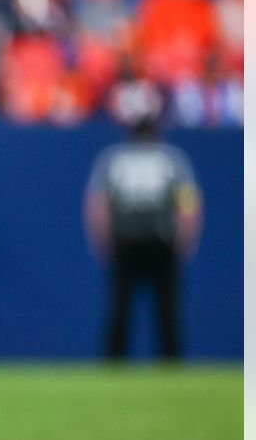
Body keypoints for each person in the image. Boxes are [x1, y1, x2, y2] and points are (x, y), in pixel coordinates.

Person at [84, 111, 203, 362]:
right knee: (166, 311)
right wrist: (186, 237)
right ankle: (171, 366)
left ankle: (113, 366)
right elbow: (189, 204)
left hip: (126, 241)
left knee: (121, 309)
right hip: (160, 241)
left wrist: (102, 239)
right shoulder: (172, 159)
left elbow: (97, 203)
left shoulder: (114, 159)